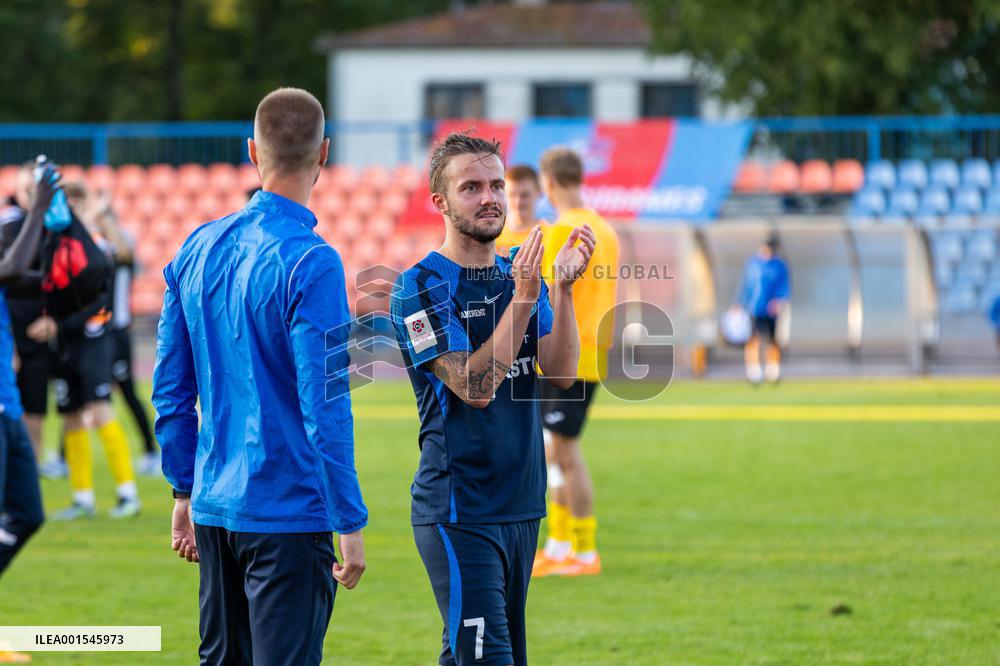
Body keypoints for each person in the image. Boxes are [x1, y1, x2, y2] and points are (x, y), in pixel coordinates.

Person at [152, 87, 368, 666]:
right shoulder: (312, 260)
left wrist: (183, 488)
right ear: (325, 153)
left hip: (215, 502)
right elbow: (325, 403)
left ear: (252, 150)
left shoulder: (197, 247)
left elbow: (172, 392)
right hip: (288, 508)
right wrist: (348, 518)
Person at [390, 132, 595, 666]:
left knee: (469, 655)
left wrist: (563, 290)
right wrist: (526, 298)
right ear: (440, 202)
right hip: (459, 510)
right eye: (471, 187)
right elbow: (474, 388)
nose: (491, 197)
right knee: (490, 658)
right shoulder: (421, 287)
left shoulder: (516, 274)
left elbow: (563, 371)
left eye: (497, 185)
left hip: (521, 507)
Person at [532, 147, 620, 578]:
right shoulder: (605, 229)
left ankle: (583, 551)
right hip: (593, 351)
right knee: (557, 450)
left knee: (565, 453)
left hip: (567, 354)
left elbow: (547, 295)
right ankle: (562, 544)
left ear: (548, 183)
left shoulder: (558, 231)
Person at [35, 181, 141, 521]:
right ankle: (83, 498)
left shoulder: (98, 248)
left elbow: (102, 303)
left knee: (100, 410)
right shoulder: (53, 246)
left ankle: (128, 493)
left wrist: (59, 324)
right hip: (65, 344)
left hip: (95, 341)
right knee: (70, 416)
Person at [0, 165, 58, 579]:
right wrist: (37, 208)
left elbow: (30, 280)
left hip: (8, 406)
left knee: (27, 514)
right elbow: (13, 270)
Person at [79, 187, 160, 476]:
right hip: (97, 329)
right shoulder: (89, 242)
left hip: (117, 329)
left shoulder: (119, 239)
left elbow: (124, 254)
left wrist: (101, 216)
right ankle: (65, 457)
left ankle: (150, 451)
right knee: (85, 392)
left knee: (126, 393)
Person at [2, 162, 54, 468]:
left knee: (35, 417)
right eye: (25, 190)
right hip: (12, 336)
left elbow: (67, 283)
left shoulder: (56, 228)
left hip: (38, 336)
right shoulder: (9, 226)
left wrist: (54, 320)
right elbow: (13, 274)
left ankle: (27, 489)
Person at [734, 234, 791, 385]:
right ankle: (754, 372)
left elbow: (784, 286)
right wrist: (739, 303)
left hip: (771, 310)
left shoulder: (779, 265)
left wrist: (779, 301)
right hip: (754, 308)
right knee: (753, 339)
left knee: (773, 340)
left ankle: (773, 371)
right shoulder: (753, 263)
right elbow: (746, 285)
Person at [495, 164, 543, 257]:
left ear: (539, 193)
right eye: (512, 195)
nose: (518, 202)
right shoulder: (492, 235)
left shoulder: (553, 235)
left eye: (524, 195)